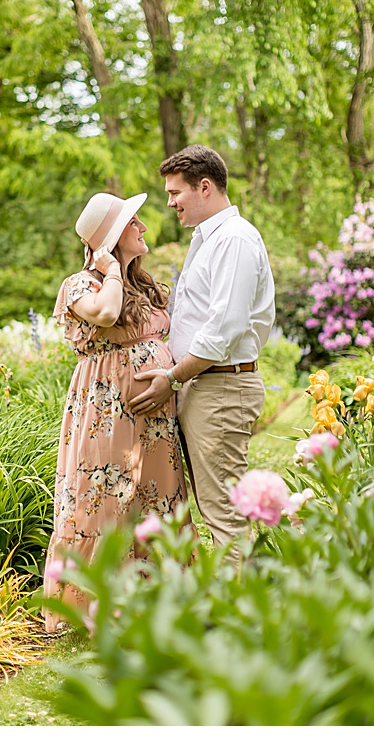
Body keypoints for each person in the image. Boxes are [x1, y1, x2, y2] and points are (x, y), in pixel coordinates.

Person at [42, 192, 187, 632]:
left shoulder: (143, 284)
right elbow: (106, 314)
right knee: (106, 494)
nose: (143, 228)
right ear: (108, 238)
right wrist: (108, 269)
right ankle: (96, 607)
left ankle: (161, 597)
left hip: (155, 413)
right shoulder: (82, 284)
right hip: (108, 408)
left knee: (158, 493)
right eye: (133, 222)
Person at [129, 145, 275, 552]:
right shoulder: (208, 239)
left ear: (204, 187)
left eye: (175, 193)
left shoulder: (234, 240)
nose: (171, 202)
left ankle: (237, 613)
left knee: (225, 515)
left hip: (221, 388)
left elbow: (223, 329)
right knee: (216, 511)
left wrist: (172, 378)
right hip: (204, 385)